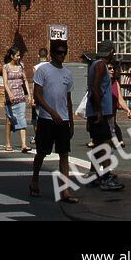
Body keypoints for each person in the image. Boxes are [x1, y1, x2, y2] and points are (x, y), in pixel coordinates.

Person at [30, 39, 76, 203]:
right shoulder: (43, 71)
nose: (62, 55)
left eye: (64, 52)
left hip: (62, 120)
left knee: (64, 155)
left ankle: (65, 191)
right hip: (46, 119)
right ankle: (34, 180)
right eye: (59, 52)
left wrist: (71, 122)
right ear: (52, 53)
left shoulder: (68, 74)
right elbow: (37, 95)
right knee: (42, 152)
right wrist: (51, 112)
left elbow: (68, 100)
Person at [85, 41, 124, 190]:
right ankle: (106, 178)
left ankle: (93, 175)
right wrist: (100, 112)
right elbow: (95, 89)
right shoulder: (101, 65)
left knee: (98, 143)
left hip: (94, 111)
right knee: (107, 142)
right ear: (111, 52)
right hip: (99, 111)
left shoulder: (94, 64)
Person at [3, 47, 32, 153]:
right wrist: (9, 94)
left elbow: (24, 80)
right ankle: (8, 143)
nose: (19, 57)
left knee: (22, 118)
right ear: (12, 56)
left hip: (20, 96)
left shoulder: (21, 66)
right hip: (10, 98)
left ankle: (24, 145)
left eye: (19, 55)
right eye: (17, 55)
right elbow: (5, 82)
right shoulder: (6, 67)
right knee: (10, 121)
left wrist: (29, 94)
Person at [108, 61, 131, 146]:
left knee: (113, 124)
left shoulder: (115, 83)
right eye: (109, 68)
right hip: (103, 112)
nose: (112, 70)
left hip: (112, 111)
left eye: (113, 68)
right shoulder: (101, 83)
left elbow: (120, 99)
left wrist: (128, 110)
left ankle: (119, 141)